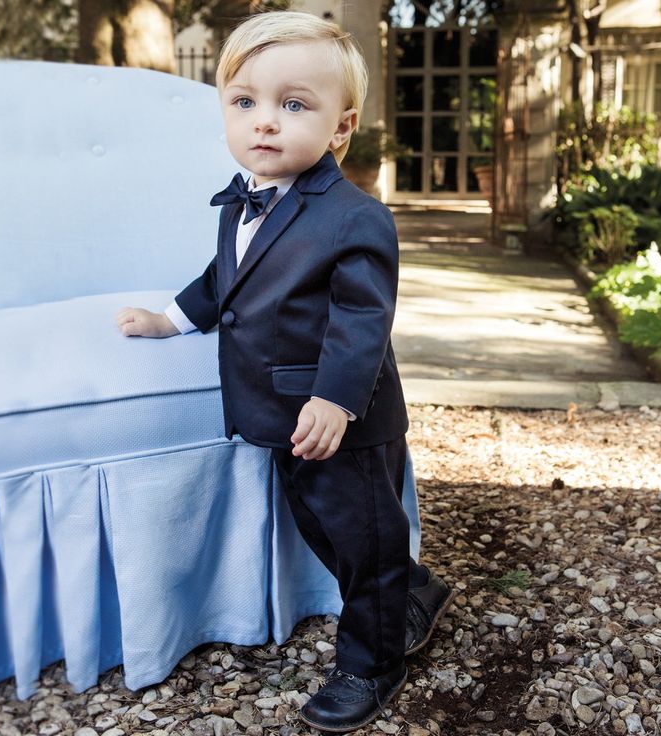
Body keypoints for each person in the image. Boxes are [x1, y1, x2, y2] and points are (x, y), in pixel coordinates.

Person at [116, 11, 453, 733]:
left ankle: (371, 661)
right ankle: (414, 592)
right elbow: (224, 283)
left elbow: (363, 321)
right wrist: (170, 319)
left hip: (339, 418)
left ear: (340, 127)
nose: (264, 122)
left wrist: (336, 399)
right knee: (324, 528)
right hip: (277, 413)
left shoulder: (354, 217)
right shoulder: (242, 197)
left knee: (363, 540)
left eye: (293, 105)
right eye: (245, 102)